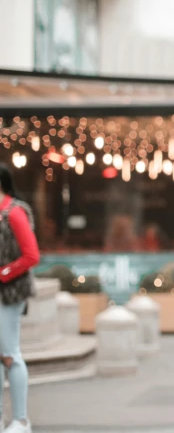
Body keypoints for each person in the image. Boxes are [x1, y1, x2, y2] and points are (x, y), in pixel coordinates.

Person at [0, 163, 40, 433]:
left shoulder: (14, 212)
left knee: (9, 353)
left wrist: (3, 273)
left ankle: (21, 419)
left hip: (10, 293)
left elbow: (31, 256)